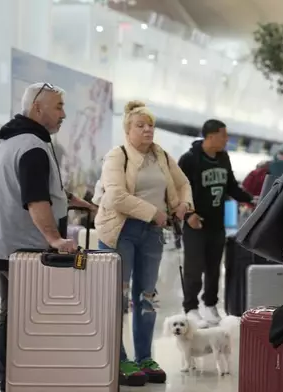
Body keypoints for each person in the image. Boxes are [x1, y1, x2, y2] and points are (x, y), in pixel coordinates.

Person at [0, 82, 96, 392]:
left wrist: (66, 199)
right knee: (27, 318)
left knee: (11, 313)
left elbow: (31, 187)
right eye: (59, 107)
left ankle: (11, 378)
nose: (64, 114)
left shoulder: (14, 141)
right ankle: (21, 379)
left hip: (7, 244)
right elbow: (35, 199)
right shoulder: (33, 147)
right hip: (27, 248)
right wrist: (54, 238)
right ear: (38, 109)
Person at [96, 100, 194, 387]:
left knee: (146, 298)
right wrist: (155, 212)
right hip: (119, 231)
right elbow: (115, 196)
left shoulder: (160, 155)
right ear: (128, 130)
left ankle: (144, 357)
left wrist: (184, 204)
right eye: (141, 125)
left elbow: (183, 183)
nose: (148, 130)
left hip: (152, 233)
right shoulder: (117, 156)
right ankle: (120, 358)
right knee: (117, 299)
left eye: (151, 125)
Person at [178, 119, 253, 327]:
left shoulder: (223, 157)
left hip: (216, 224)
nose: (227, 139)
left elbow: (231, 186)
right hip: (195, 224)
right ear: (210, 136)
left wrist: (250, 198)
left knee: (213, 267)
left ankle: (210, 305)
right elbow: (177, 191)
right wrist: (188, 215)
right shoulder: (190, 159)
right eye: (224, 135)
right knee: (194, 267)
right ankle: (190, 308)